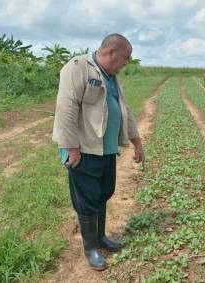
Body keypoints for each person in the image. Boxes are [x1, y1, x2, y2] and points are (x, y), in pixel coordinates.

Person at [52, 33, 144, 270]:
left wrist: (137, 142)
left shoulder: (112, 78)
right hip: (83, 151)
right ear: (111, 52)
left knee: (103, 194)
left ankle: (100, 237)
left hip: (107, 151)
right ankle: (91, 248)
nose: (127, 63)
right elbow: (66, 109)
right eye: (125, 58)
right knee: (87, 201)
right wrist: (71, 148)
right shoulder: (77, 68)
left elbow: (125, 112)